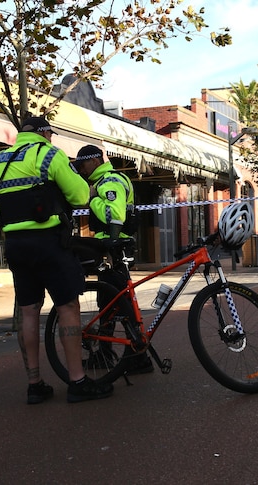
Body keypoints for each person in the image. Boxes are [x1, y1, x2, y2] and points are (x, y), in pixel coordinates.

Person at [0, 116, 113, 404]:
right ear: (44, 133)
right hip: (49, 243)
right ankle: (78, 380)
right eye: (50, 135)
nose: (52, 139)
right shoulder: (48, 154)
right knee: (67, 306)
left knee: (29, 311)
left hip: (15, 245)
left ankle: (35, 384)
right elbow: (80, 195)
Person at [71, 144, 153, 374]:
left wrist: (93, 198)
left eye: (83, 164)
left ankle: (132, 356)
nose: (82, 170)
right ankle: (132, 356)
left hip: (114, 247)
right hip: (113, 246)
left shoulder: (108, 182)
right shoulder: (106, 180)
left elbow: (113, 214)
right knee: (114, 302)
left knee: (115, 302)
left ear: (96, 160)